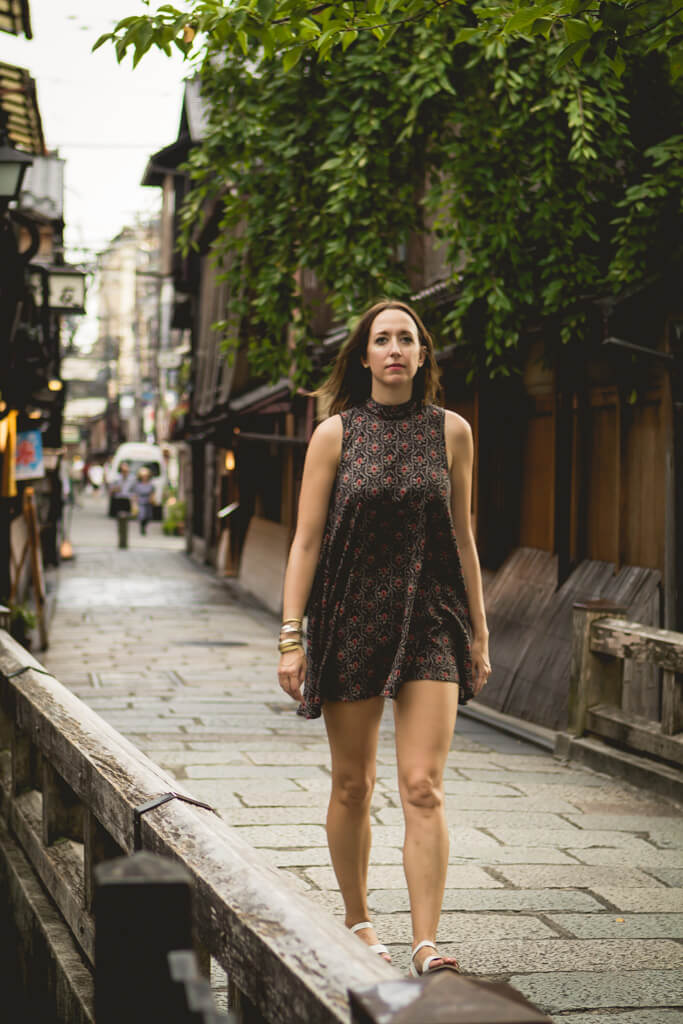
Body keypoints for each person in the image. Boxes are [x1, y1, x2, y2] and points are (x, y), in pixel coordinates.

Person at [278, 300, 491, 976]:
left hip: (431, 618)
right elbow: (306, 541)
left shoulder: (451, 433)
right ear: (363, 357)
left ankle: (427, 943)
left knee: (422, 784)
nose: (395, 349)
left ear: (422, 356)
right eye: (382, 339)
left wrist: (479, 636)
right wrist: (290, 635)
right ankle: (358, 918)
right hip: (349, 618)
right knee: (352, 784)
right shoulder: (334, 435)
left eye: (407, 339)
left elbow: (463, 536)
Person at [133, 467, 155, 535]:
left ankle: (144, 526)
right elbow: (135, 494)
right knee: (142, 515)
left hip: (148, 501)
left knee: (148, 516)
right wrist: (134, 503)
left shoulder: (150, 485)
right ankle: (142, 528)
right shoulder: (138, 485)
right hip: (141, 501)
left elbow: (152, 493)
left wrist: (152, 499)